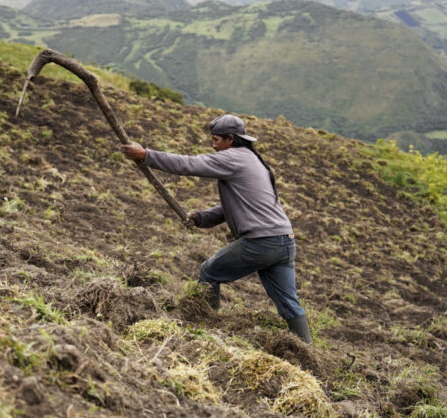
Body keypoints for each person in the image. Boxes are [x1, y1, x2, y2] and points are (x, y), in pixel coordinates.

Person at [121, 114, 312, 344]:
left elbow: (189, 164)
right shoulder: (253, 159)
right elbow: (235, 206)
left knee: (210, 272)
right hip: (284, 241)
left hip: (261, 242)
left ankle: (208, 331)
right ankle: (307, 350)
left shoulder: (233, 157)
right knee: (289, 303)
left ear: (230, 139)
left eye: (216, 140)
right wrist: (201, 218)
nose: (213, 145)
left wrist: (146, 155)